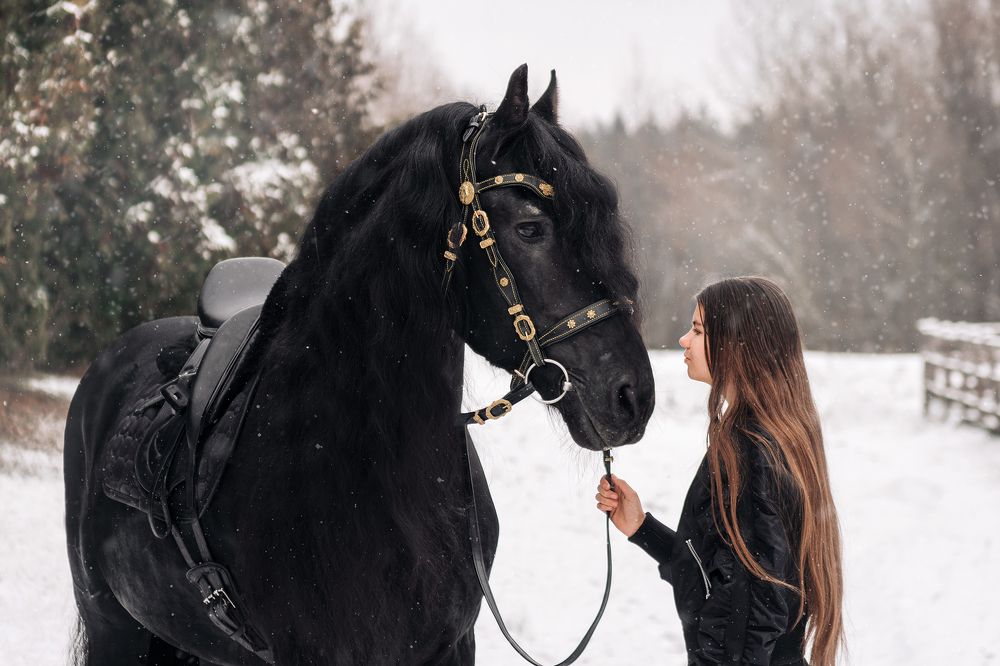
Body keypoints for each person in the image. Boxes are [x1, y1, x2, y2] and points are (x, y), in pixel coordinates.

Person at [596, 277, 844, 666]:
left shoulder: (749, 449)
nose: (684, 340)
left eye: (697, 330)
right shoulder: (769, 436)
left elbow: (753, 608)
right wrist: (642, 529)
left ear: (738, 343)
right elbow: (719, 579)